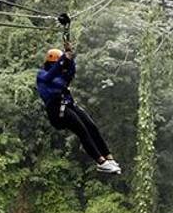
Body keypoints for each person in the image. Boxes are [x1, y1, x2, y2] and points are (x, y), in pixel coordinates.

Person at [36, 38, 121, 174]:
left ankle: (108, 157)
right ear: (52, 63)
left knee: (91, 127)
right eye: (58, 64)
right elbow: (50, 78)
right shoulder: (42, 75)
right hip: (57, 111)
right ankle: (101, 162)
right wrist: (64, 59)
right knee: (82, 131)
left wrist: (70, 57)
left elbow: (70, 73)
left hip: (68, 105)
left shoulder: (61, 73)